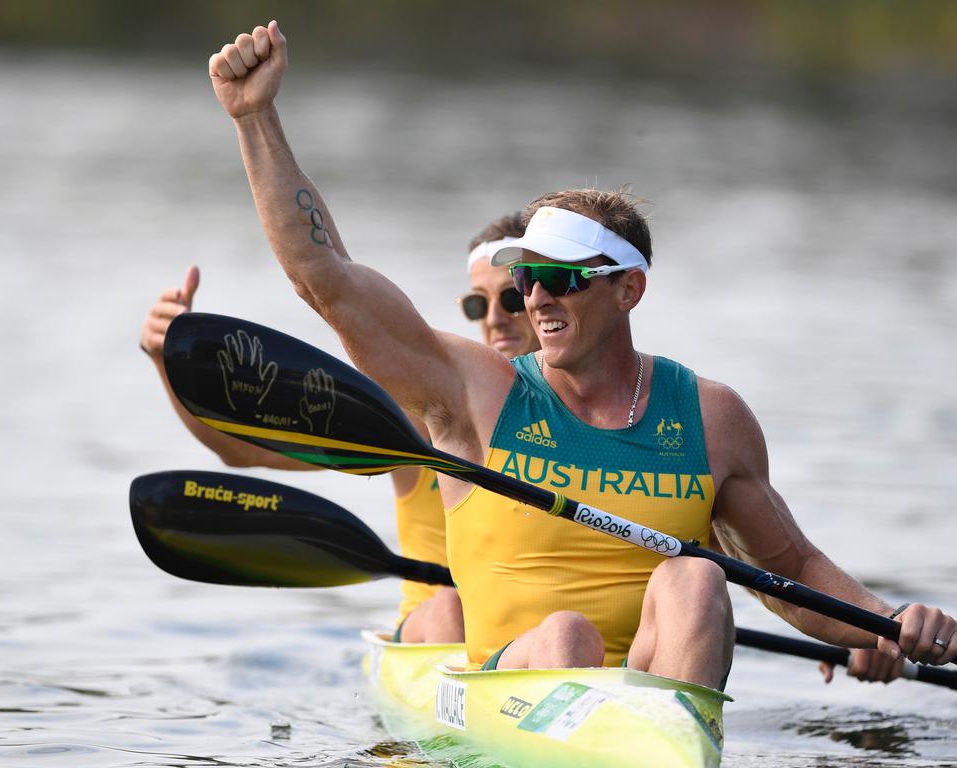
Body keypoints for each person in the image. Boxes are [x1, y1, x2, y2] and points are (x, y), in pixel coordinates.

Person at [206, 22, 956, 689]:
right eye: (528, 278)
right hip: (509, 683)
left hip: (650, 691)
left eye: (561, 279)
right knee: (567, 635)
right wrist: (256, 119)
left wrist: (892, 623)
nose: (536, 300)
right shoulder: (477, 393)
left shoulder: (711, 418)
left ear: (628, 290)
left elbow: (790, 572)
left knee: (699, 577)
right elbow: (328, 281)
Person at [139, 214, 538, 644]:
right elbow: (242, 451)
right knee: (449, 604)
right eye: (479, 304)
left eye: (512, 299)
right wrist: (165, 362)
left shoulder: (600, 418)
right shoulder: (423, 417)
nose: (494, 318)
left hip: (538, 638)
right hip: (440, 634)